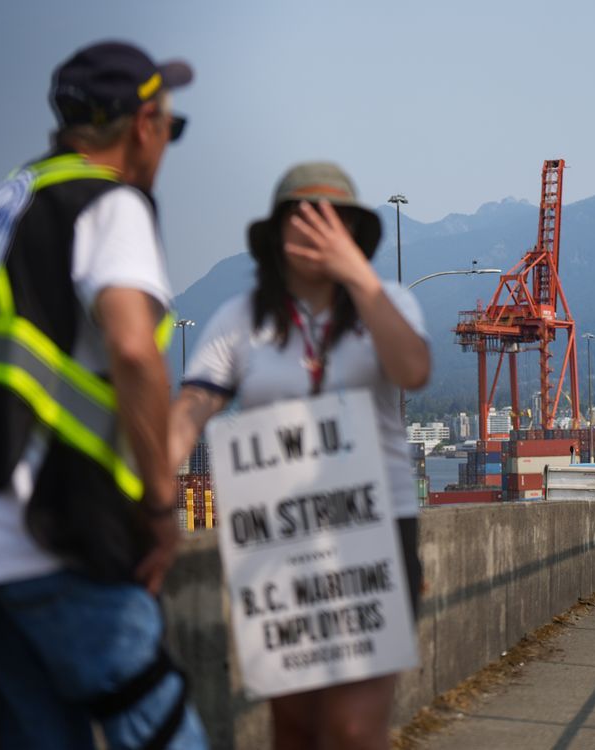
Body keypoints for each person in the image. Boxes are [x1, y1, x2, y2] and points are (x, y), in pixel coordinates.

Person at [0, 41, 207, 748]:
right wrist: (161, 507)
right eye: (170, 124)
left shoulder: (0, 203)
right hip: (55, 534)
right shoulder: (108, 203)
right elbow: (132, 347)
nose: (167, 141)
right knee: (161, 728)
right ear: (141, 126)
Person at [169, 162, 430, 750]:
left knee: (353, 729)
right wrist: (157, 478)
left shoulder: (388, 303)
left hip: (376, 531)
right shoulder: (241, 319)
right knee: (294, 729)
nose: (315, 232)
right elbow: (191, 407)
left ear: (354, 234)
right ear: (276, 236)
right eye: (300, 219)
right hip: (279, 538)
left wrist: (357, 280)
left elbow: (413, 369)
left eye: (331, 221)